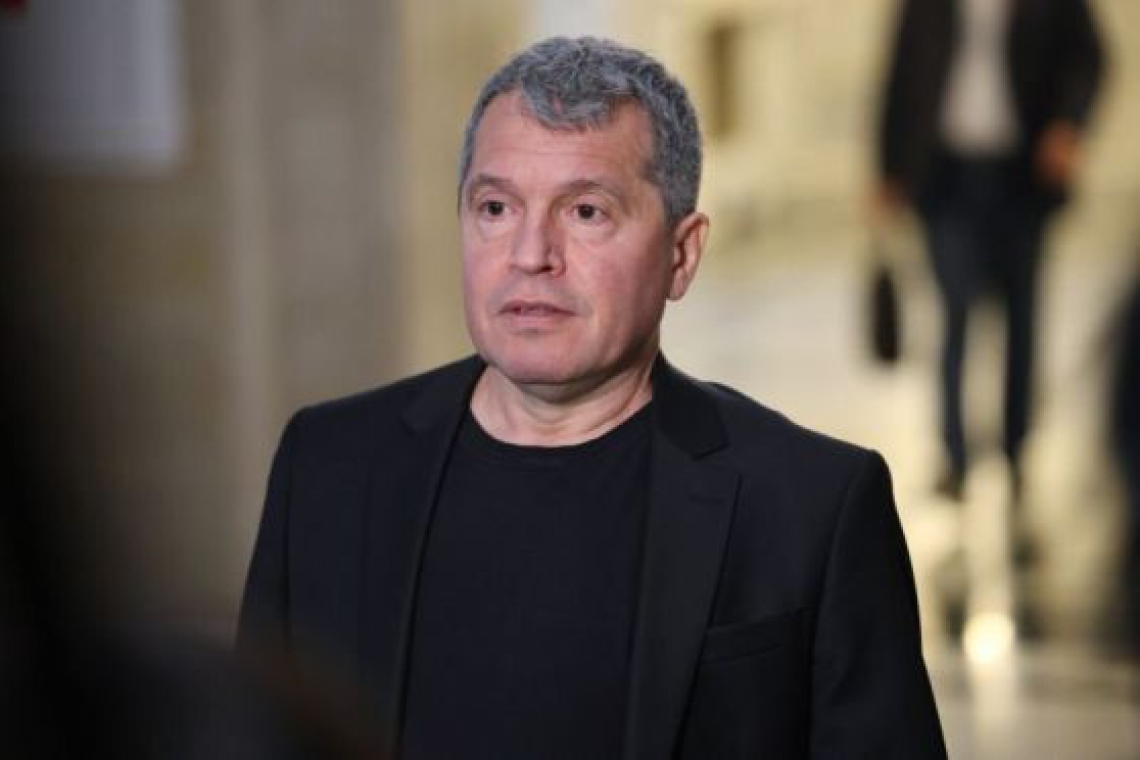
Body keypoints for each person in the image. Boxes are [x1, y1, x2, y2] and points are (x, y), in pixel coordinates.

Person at [239, 37, 946, 758]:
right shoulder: (329, 467)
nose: (530, 255)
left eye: (585, 211)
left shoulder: (811, 505)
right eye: (495, 207)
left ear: (681, 254)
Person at [876, 0, 1105, 501]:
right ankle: (954, 455)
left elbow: (1089, 58)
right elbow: (901, 72)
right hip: (946, 179)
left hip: (1021, 178)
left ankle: (1016, 451)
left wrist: (1068, 126)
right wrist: (887, 170)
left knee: (1021, 321)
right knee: (955, 312)